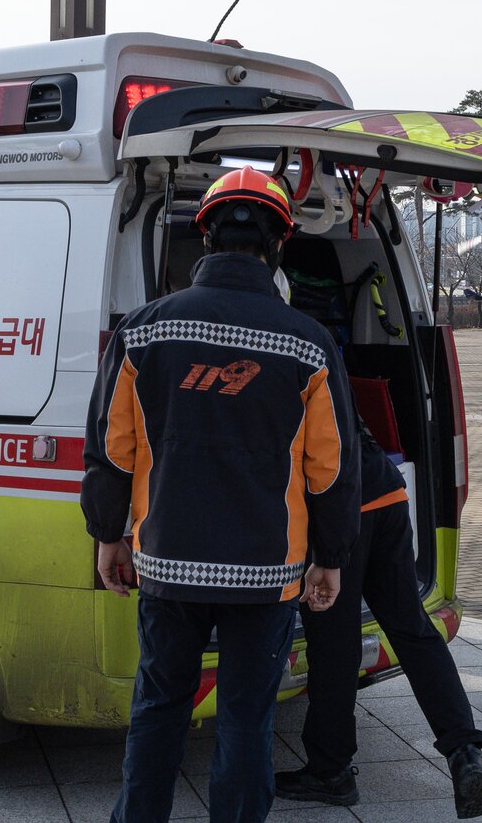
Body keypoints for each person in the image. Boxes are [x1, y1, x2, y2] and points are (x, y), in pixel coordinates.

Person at [82, 167, 362, 823]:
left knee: (159, 707)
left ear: (205, 238)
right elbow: (330, 468)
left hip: (167, 561)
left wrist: (108, 534)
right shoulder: (308, 345)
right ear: (279, 244)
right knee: (245, 718)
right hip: (266, 572)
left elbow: (112, 449)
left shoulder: (143, 332)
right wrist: (331, 556)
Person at [275, 426, 482, 819]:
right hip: (386, 491)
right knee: (413, 630)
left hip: (335, 509)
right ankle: (465, 750)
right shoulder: (331, 381)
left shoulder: (267, 383)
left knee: (334, 644)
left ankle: (330, 771)